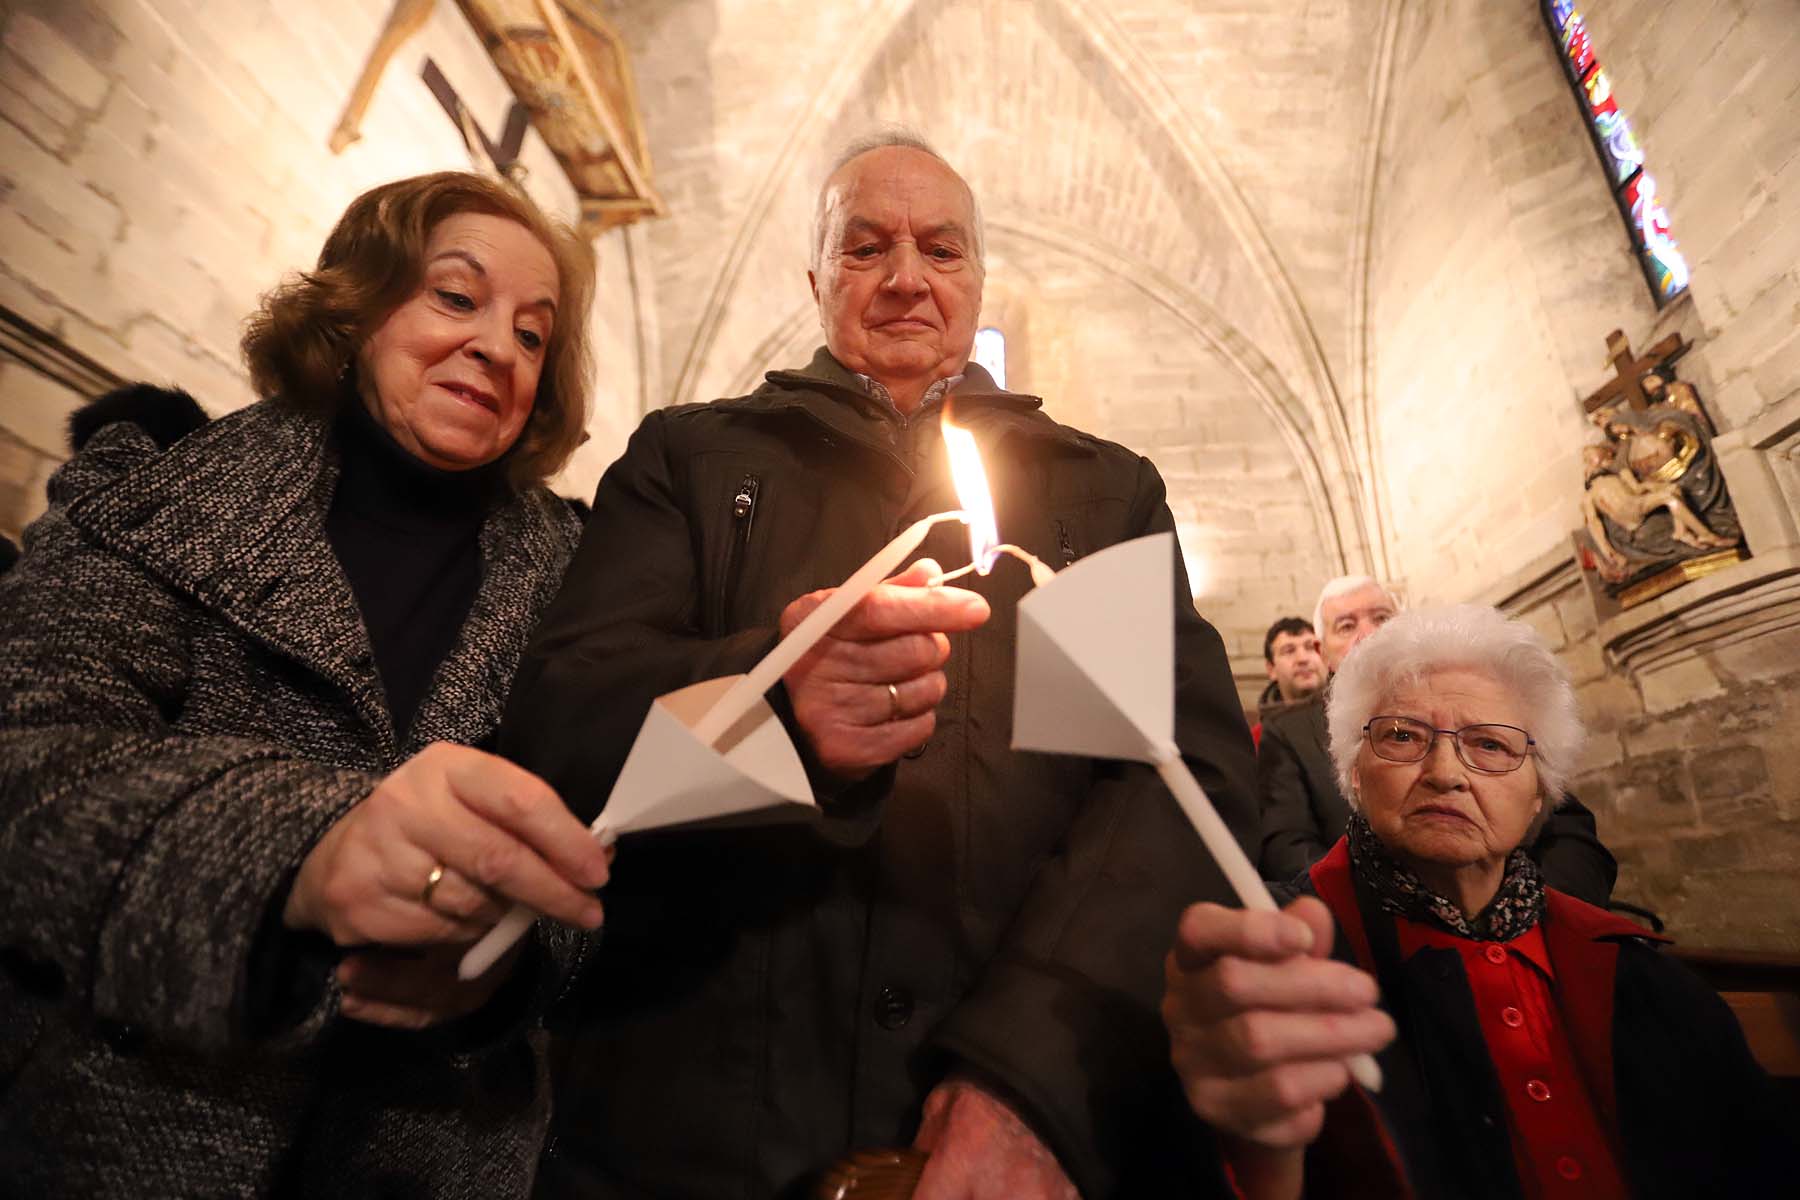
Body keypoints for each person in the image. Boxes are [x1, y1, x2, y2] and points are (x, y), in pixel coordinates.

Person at [502, 129, 1259, 1200]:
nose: (907, 278)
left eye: (941, 250)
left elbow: (1166, 793)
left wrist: (1028, 1079)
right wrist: (775, 697)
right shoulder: (693, 461)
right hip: (695, 1135)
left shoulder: (1094, 496)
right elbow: (566, 724)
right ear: (816, 278)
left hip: (1025, 1133)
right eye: (867, 248)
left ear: (978, 279)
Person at [0, 171, 613, 1197]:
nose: (499, 347)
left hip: (433, 1152)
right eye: (456, 298)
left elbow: (600, 844)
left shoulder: (580, 582)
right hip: (116, 1128)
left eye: (533, 334)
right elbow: (24, 765)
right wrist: (299, 853)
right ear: (357, 305)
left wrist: (507, 962)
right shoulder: (158, 498)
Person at [1165, 605, 1797, 1198]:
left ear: (1539, 791)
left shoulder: (1649, 979)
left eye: (1491, 745)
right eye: (1403, 737)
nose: (1446, 772)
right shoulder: (1265, 969)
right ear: (1354, 771)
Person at [1257, 576, 1616, 907]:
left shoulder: (1493, 703)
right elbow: (1288, 847)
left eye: (1381, 618)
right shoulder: (1290, 730)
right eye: (1347, 626)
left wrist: (1521, 913)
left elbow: (1569, 833)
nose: (1368, 635)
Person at [1251, 616, 1323, 748]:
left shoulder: (1350, 721)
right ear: (1271, 669)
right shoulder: (1257, 741)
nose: (1302, 659)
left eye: (1310, 647)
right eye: (1289, 651)